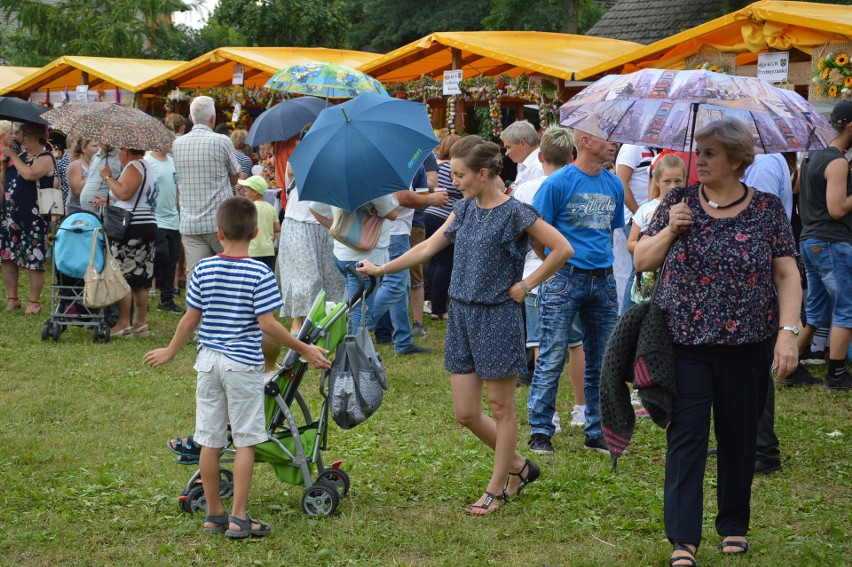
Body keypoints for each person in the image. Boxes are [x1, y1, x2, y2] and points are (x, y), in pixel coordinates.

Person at [358, 136, 572, 515]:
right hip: (461, 315)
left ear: (484, 173)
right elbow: (426, 248)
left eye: (459, 174)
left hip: (498, 315)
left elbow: (562, 249)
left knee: (501, 407)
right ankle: (520, 467)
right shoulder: (465, 210)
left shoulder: (517, 213)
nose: (452, 181)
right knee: (466, 412)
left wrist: (526, 285)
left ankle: (498, 488)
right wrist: (381, 268)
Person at [634, 118, 801, 566]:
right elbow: (642, 260)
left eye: (709, 153)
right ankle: (683, 538)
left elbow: (786, 273)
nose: (699, 160)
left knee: (739, 434)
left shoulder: (766, 209)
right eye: (698, 151)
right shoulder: (678, 201)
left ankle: (733, 525)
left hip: (749, 341)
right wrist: (671, 229)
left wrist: (788, 333)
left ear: (736, 160)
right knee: (686, 435)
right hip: (685, 340)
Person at [143, 196, 331, 539]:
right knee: (246, 441)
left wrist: (170, 352)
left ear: (219, 232)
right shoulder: (259, 272)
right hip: (242, 364)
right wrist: (304, 348)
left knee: (210, 440)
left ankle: (214, 514)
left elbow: (190, 319)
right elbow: (269, 326)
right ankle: (240, 517)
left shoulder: (202, 269)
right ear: (257, 231)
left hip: (208, 363)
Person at [527, 129, 623, 456]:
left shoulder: (613, 184)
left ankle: (596, 430)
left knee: (602, 358)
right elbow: (538, 236)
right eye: (607, 137)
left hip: (603, 280)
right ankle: (540, 431)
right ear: (584, 140)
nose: (613, 144)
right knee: (552, 354)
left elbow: (608, 233)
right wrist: (555, 268)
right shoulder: (557, 184)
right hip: (565, 279)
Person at [513, 125, 587, 430]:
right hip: (571, 271)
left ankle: (549, 411)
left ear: (540, 155)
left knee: (541, 343)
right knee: (576, 342)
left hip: (534, 274)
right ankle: (582, 407)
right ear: (572, 156)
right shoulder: (578, 186)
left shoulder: (525, 190)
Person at [793, 100, 852, 391]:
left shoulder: (811, 157)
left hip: (809, 240)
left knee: (816, 311)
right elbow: (838, 209)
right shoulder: (838, 161)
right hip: (832, 242)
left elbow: (801, 198)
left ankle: (788, 366)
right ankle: (837, 374)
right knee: (846, 307)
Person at [277, 128, 345, 335]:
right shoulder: (297, 160)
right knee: (307, 282)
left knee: (332, 280)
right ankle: (298, 330)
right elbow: (294, 170)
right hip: (299, 226)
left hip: (327, 226)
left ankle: (325, 329)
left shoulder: (335, 161)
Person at [92, 148, 159, 337]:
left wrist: (107, 177)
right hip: (146, 224)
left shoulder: (134, 166)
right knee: (141, 277)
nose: (119, 154)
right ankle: (140, 323)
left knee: (123, 276)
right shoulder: (147, 166)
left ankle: (123, 323)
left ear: (126, 150)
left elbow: (124, 193)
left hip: (132, 228)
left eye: (120, 150)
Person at [173, 96, 240, 280]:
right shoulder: (222, 141)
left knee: (196, 277)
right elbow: (235, 178)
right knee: (227, 275)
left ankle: (195, 309)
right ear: (213, 119)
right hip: (219, 220)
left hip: (190, 222)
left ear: (191, 117)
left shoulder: (177, 144)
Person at [0, 122, 55, 314]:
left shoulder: (45, 157)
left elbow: (30, 174)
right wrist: (6, 163)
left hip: (33, 216)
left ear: (31, 133)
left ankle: (34, 302)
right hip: (10, 214)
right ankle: (12, 298)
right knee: (8, 256)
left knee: (34, 257)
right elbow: (4, 182)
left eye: (20, 132)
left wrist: (13, 156)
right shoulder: (20, 156)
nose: (17, 136)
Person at [423, 134, 462, 321]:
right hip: (443, 218)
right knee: (445, 264)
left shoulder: (436, 166)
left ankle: (429, 299)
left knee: (432, 261)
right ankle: (439, 309)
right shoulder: (453, 169)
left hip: (428, 215)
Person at [615, 144, 656, 313]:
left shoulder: (653, 149)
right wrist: (639, 214)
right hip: (634, 219)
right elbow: (621, 183)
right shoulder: (632, 147)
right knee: (639, 269)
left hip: (646, 218)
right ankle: (626, 320)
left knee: (642, 270)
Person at [145, 140, 184, 313]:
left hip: (172, 218)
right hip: (155, 218)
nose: (172, 143)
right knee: (159, 255)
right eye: (168, 140)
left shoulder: (172, 160)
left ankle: (166, 300)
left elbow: (176, 188)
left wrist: (179, 208)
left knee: (172, 259)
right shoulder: (148, 161)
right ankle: (143, 293)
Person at [237, 175, 279, 272]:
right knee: (266, 276)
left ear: (255, 192)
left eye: (246, 191)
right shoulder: (271, 208)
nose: (244, 194)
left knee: (252, 278)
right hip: (268, 250)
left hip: (252, 251)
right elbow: (277, 228)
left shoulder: (249, 208)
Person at [79, 143, 120, 213]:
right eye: (103, 138)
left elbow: (126, 189)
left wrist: (110, 202)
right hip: (88, 213)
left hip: (106, 214)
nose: (106, 141)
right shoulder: (95, 157)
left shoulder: (120, 157)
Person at [500, 120, 544, 186]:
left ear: (522, 143)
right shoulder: (523, 162)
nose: (506, 153)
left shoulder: (538, 168)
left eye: (508, 147)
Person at [65, 138, 98, 217]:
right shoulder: (76, 165)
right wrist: (95, 172)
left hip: (94, 211)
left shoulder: (97, 164)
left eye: (99, 146)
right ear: (83, 148)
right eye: (94, 146)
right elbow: (76, 191)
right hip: (78, 213)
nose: (98, 149)